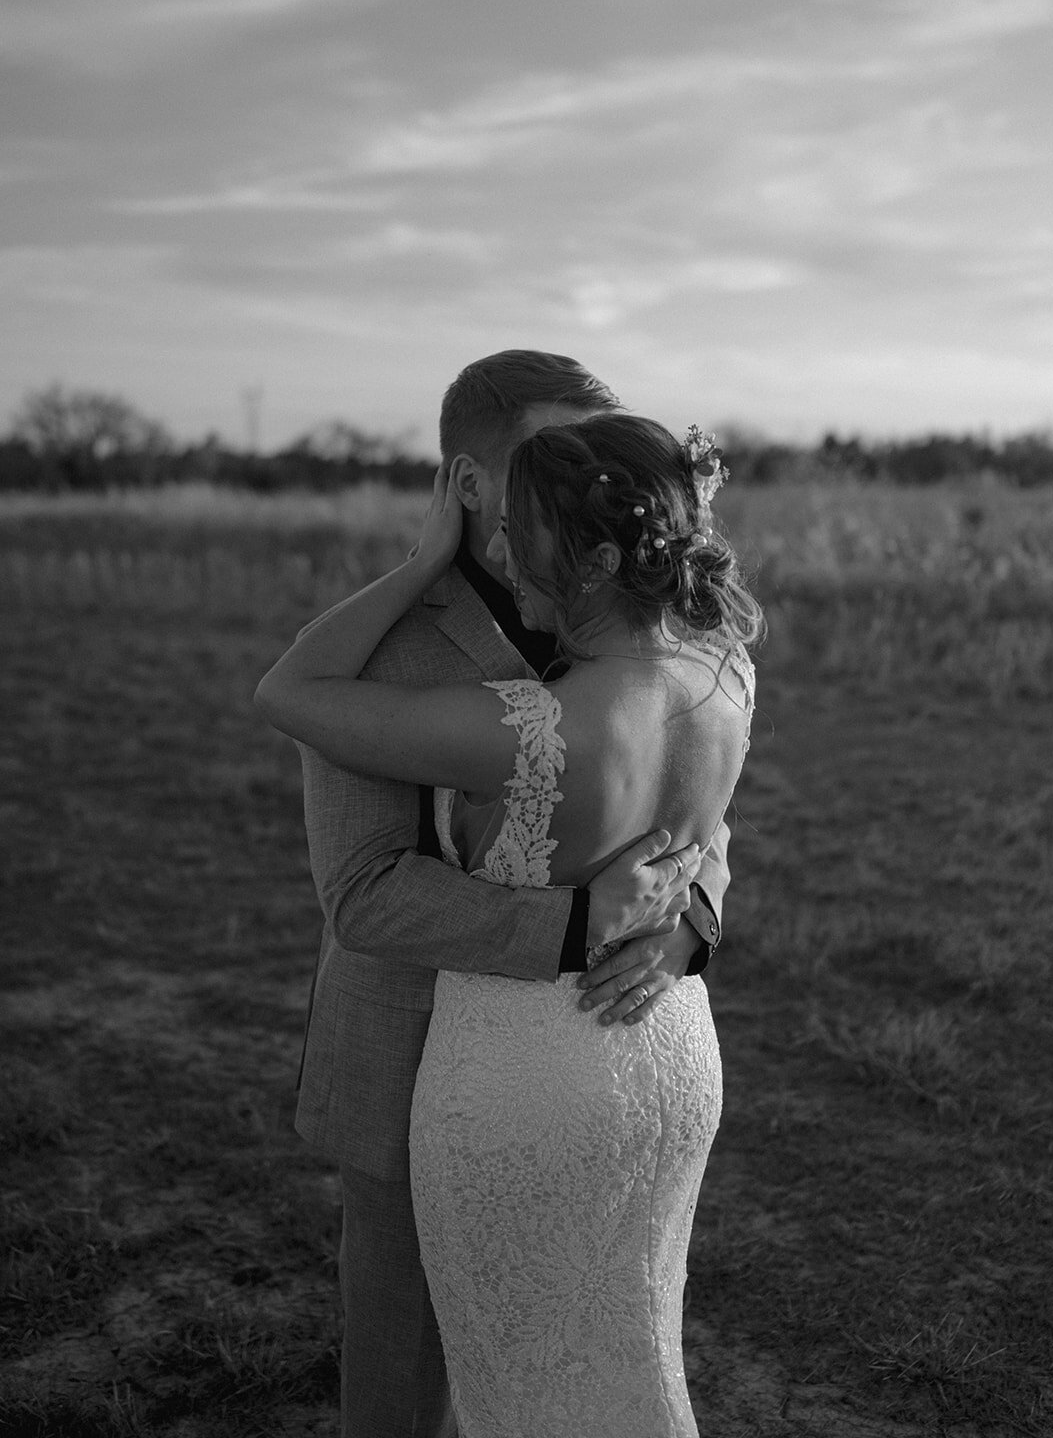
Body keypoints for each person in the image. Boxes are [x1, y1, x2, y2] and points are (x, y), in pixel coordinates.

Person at [257, 404, 762, 1438]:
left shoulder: (531, 726)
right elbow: (693, 821)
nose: (506, 554)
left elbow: (291, 690)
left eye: (529, 531)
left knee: (517, 1374)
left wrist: (685, 919)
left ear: (601, 548)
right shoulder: (725, 670)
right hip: (671, 1053)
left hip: (519, 1077)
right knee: (626, 1350)